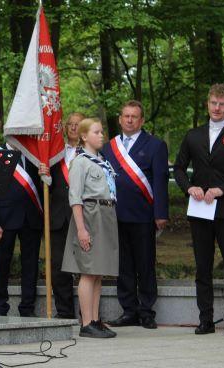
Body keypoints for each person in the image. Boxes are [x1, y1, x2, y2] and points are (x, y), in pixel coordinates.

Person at [174, 83, 224, 336]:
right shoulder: (193, 135)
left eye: (222, 104)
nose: (217, 108)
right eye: (213, 103)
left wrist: (222, 189)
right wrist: (189, 188)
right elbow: (178, 168)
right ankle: (205, 320)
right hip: (200, 209)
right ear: (207, 103)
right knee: (202, 266)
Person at [101, 100, 169, 330]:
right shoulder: (109, 147)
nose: (129, 120)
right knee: (123, 266)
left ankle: (146, 311)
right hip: (116, 215)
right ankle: (129, 310)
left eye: (134, 116)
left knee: (145, 264)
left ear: (142, 120)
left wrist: (161, 213)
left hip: (143, 215)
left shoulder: (155, 145)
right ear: (120, 119)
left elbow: (160, 181)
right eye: (126, 116)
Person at [62, 118, 119, 338]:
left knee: (98, 272)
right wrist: (81, 229)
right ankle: (86, 323)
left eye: (102, 131)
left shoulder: (102, 161)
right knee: (88, 271)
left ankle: (96, 319)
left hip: (105, 214)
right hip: (90, 215)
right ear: (84, 136)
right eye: (96, 132)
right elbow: (75, 197)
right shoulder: (80, 162)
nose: (101, 135)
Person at [0, 142, 43, 318]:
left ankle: (27, 307)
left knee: (31, 265)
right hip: (4, 220)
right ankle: (0, 307)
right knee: (1, 264)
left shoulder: (33, 155)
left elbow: (40, 187)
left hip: (31, 217)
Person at [48, 112, 85, 319]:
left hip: (84, 218)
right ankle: (65, 311)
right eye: (69, 124)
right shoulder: (55, 153)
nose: (72, 127)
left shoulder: (91, 152)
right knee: (59, 266)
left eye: (77, 124)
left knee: (85, 266)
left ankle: (87, 313)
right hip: (58, 217)